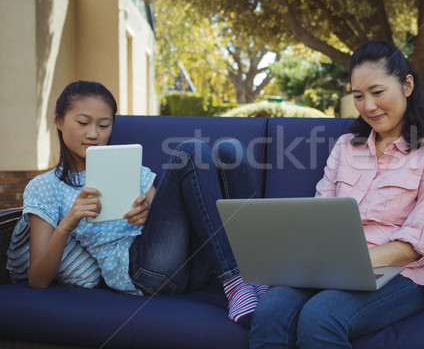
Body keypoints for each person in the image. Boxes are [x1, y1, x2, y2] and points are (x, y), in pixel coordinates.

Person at [249, 40, 424, 348]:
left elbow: (416, 245)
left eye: (377, 92)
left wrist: (346, 263)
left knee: (321, 315)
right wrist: (303, 257)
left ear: (407, 85)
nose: (368, 106)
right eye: (358, 96)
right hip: (329, 265)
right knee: (268, 311)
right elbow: (319, 215)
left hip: (400, 274)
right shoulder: (347, 146)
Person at [6, 80, 262, 327]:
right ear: (58, 120)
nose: (93, 134)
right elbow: (37, 280)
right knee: (191, 151)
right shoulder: (45, 187)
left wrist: (149, 214)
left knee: (231, 150)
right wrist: (68, 223)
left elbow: (169, 218)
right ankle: (235, 282)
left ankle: (258, 274)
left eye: (104, 125)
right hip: (144, 273)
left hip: (192, 263)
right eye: (83, 123)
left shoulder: (127, 166)